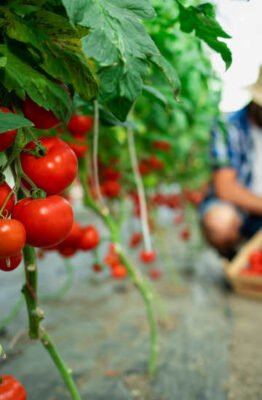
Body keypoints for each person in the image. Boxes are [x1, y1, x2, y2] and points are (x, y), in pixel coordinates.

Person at [200, 67, 262, 259]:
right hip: (241, 212)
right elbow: (225, 188)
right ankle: (235, 257)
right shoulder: (228, 126)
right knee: (219, 222)